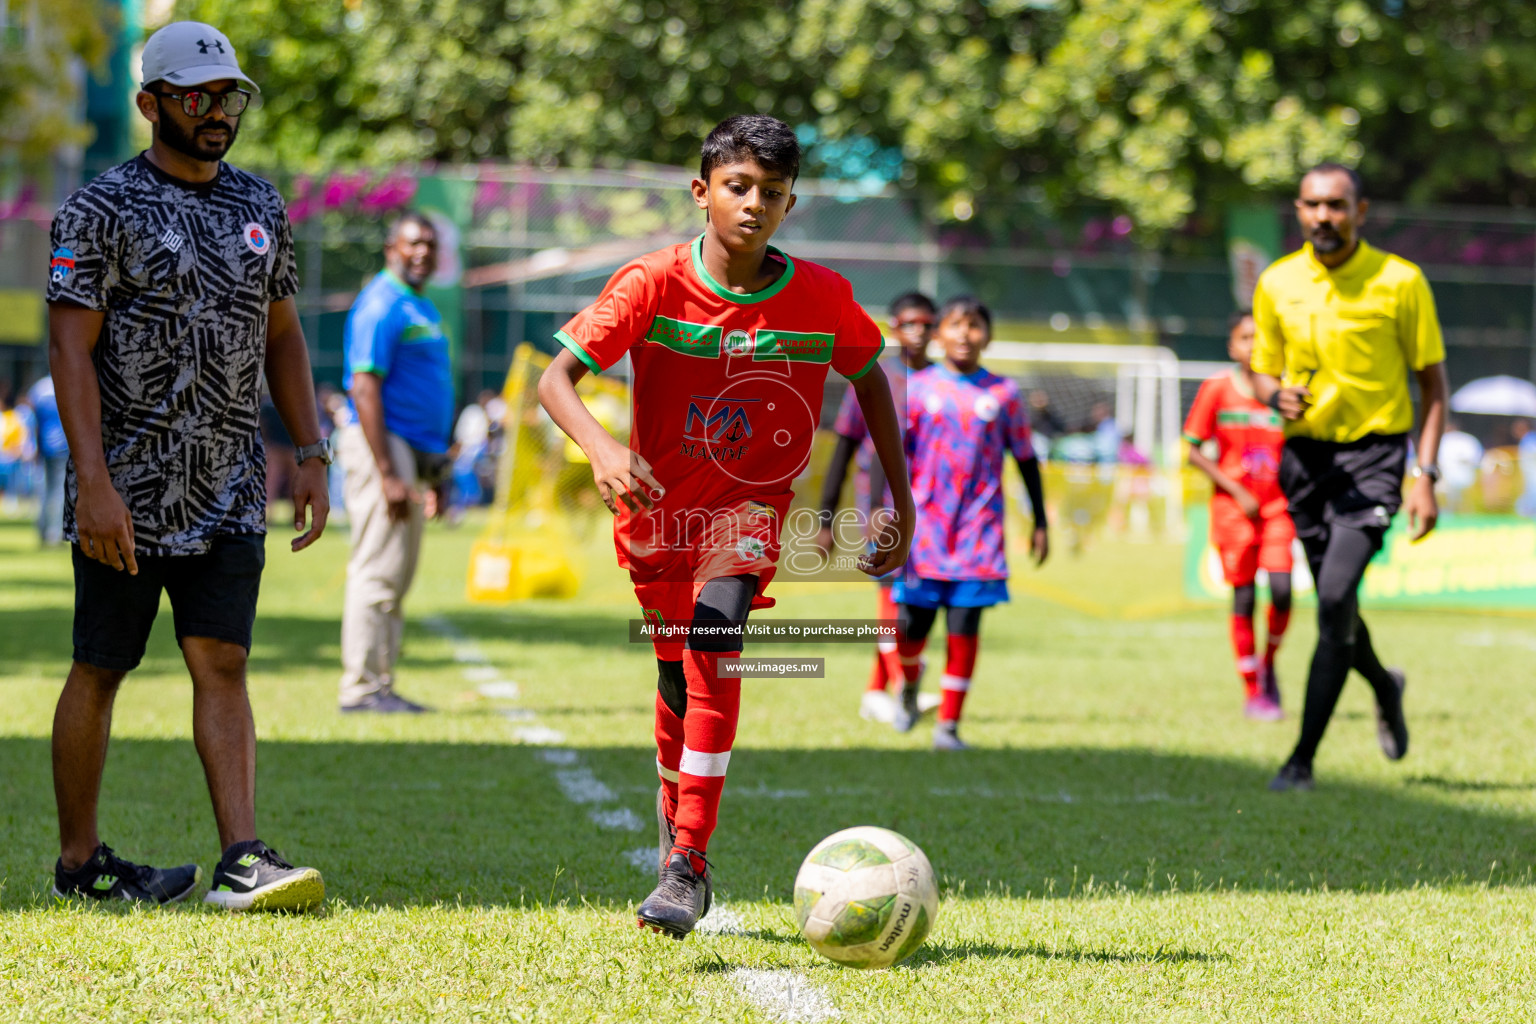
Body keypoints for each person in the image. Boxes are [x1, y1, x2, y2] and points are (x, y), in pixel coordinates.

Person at [538, 114, 910, 939]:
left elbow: (872, 382)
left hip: (746, 517)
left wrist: (900, 502)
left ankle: (687, 863)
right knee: (675, 676)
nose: (754, 204)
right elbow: (556, 378)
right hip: (655, 522)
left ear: (790, 205)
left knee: (714, 640)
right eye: (738, 187)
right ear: (702, 191)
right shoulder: (651, 282)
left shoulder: (820, 297)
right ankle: (677, 819)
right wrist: (600, 447)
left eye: (772, 194)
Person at [45, 21, 329, 909]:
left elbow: (282, 334)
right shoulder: (101, 208)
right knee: (101, 664)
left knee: (224, 663)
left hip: (232, 487)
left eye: (229, 97)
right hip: (125, 492)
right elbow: (68, 348)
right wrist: (92, 482)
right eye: (197, 97)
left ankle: (242, 858)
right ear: (151, 104)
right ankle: (80, 862)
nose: (217, 113)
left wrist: (312, 448)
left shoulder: (260, 206)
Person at [1251, 162, 1448, 792]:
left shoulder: (1401, 281)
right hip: (1304, 462)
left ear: (1361, 211)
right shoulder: (1277, 281)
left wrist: (1425, 473)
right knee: (1338, 608)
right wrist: (1273, 396)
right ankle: (1385, 686)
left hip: (1376, 460)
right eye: (1311, 205)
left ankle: (1301, 758)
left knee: (1334, 598)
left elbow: (1433, 386)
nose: (1323, 217)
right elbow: (1263, 371)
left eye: (1337, 205)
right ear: (1298, 209)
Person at [891, 295, 1049, 749]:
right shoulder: (916, 389)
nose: (965, 334)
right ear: (940, 334)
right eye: (956, 325)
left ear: (988, 336)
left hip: (978, 537)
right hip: (923, 535)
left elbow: (1025, 458)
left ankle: (948, 726)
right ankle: (908, 684)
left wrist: (1040, 520)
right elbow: (893, 457)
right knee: (909, 629)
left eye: (975, 325)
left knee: (964, 629)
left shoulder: (1003, 394)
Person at [336, 210, 454, 713]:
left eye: (429, 243)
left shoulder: (418, 305)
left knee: (397, 573)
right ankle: (361, 689)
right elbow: (364, 384)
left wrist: (435, 473)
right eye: (413, 243)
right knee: (377, 570)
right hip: (382, 446)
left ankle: (380, 685)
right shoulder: (381, 303)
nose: (422, 251)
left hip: (410, 453)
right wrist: (387, 472)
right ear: (391, 249)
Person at [816, 291, 937, 724]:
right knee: (891, 604)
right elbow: (845, 449)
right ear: (893, 326)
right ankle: (906, 682)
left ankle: (878, 689)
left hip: (936, 519)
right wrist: (827, 518)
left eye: (926, 322)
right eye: (909, 322)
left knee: (919, 608)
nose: (918, 331)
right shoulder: (873, 378)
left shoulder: (943, 382)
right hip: (883, 516)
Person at [1183, 311, 1294, 721]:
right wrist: (1235, 490)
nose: (1253, 345)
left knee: (1282, 591)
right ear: (1232, 346)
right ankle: (1253, 691)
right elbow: (1194, 450)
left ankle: (1268, 663)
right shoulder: (1217, 389)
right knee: (1244, 597)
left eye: (1260, 338)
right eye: (1245, 338)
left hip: (1279, 510)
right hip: (1234, 511)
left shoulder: (1285, 394)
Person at [26, 375, 69, 544]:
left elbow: (32, 421)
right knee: (58, 491)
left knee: (42, 491)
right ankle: (54, 533)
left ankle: (42, 529)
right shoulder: (65, 382)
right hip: (62, 448)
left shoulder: (38, 388)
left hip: (43, 447)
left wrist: (34, 446)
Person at [1435, 418, 1482, 513]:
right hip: (1446, 476)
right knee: (1446, 499)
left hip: (1465, 476)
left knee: (1464, 499)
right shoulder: (1443, 439)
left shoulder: (1467, 440)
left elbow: (1475, 458)